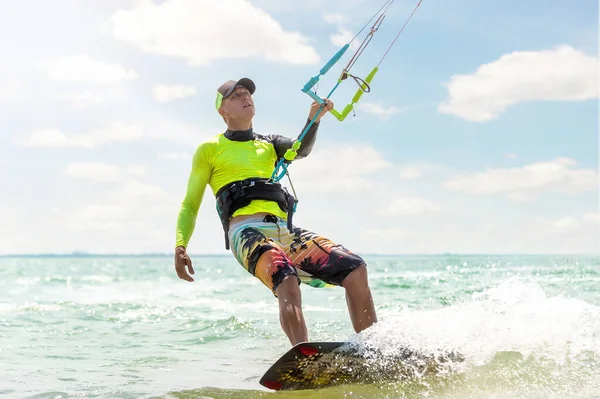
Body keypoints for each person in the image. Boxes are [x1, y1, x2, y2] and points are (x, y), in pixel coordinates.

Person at [173, 77, 377, 346]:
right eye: (236, 96)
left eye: (247, 93)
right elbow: (190, 203)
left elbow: (299, 149)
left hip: (285, 232)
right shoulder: (210, 149)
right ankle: (302, 356)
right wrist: (180, 245)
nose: (246, 98)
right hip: (246, 232)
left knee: (355, 268)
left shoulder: (269, 143)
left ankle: (374, 350)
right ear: (223, 111)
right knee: (286, 278)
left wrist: (313, 119)